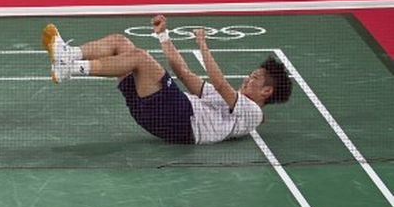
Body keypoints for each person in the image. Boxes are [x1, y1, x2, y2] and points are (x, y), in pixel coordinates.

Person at [42, 15, 292, 144]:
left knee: (140, 57)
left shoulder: (252, 114)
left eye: (255, 78)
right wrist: (163, 36)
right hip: (162, 115)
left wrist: (203, 44)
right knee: (121, 43)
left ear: (267, 91)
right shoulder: (228, 102)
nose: (248, 78)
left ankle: (70, 69)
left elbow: (220, 83)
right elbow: (184, 72)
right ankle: (68, 56)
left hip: (182, 121)